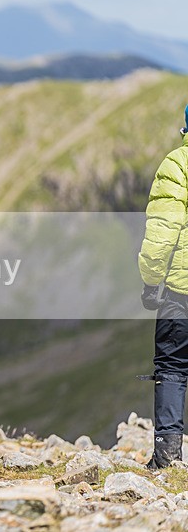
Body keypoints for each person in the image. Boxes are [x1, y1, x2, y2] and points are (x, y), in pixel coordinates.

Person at [138, 104, 188, 469]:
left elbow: (162, 233)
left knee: (172, 366)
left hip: (181, 290)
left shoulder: (177, 165)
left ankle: (168, 458)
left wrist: (151, 280)